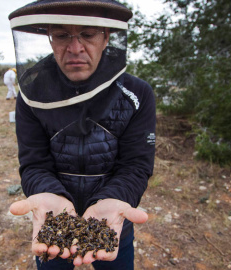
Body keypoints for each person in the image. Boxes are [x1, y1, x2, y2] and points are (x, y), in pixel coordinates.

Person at [8, 0, 156, 269]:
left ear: (106, 37)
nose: (75, 48)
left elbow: (135, 165)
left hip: (111, 218)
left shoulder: (138, 94)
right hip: (53, 219)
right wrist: (47, 194)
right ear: (50, 39)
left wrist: (113, 200)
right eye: (62, 35)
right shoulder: (31, 95)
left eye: (87, 34)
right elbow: (34, 163)